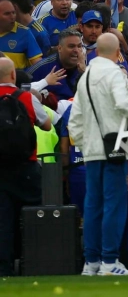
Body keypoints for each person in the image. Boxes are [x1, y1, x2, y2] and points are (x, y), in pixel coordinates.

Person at [69, 33, 128, 276]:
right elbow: (122, 104)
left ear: (96, 51)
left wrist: (85, 142)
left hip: (91, 149)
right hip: (113, 148)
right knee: (114, 204)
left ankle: (91, 262)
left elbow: (75, 120)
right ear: (118, 52)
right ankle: (110, 262)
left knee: (93, 205)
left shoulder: (85, 77)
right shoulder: (114, 73)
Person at [0, 56, 52, 277]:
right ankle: (37, 262)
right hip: (27, 168)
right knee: (36, 216)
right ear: (13, 75)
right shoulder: (26, 98)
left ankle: (4, 268)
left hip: (1, 171)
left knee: (3, 222)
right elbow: (47, 125)